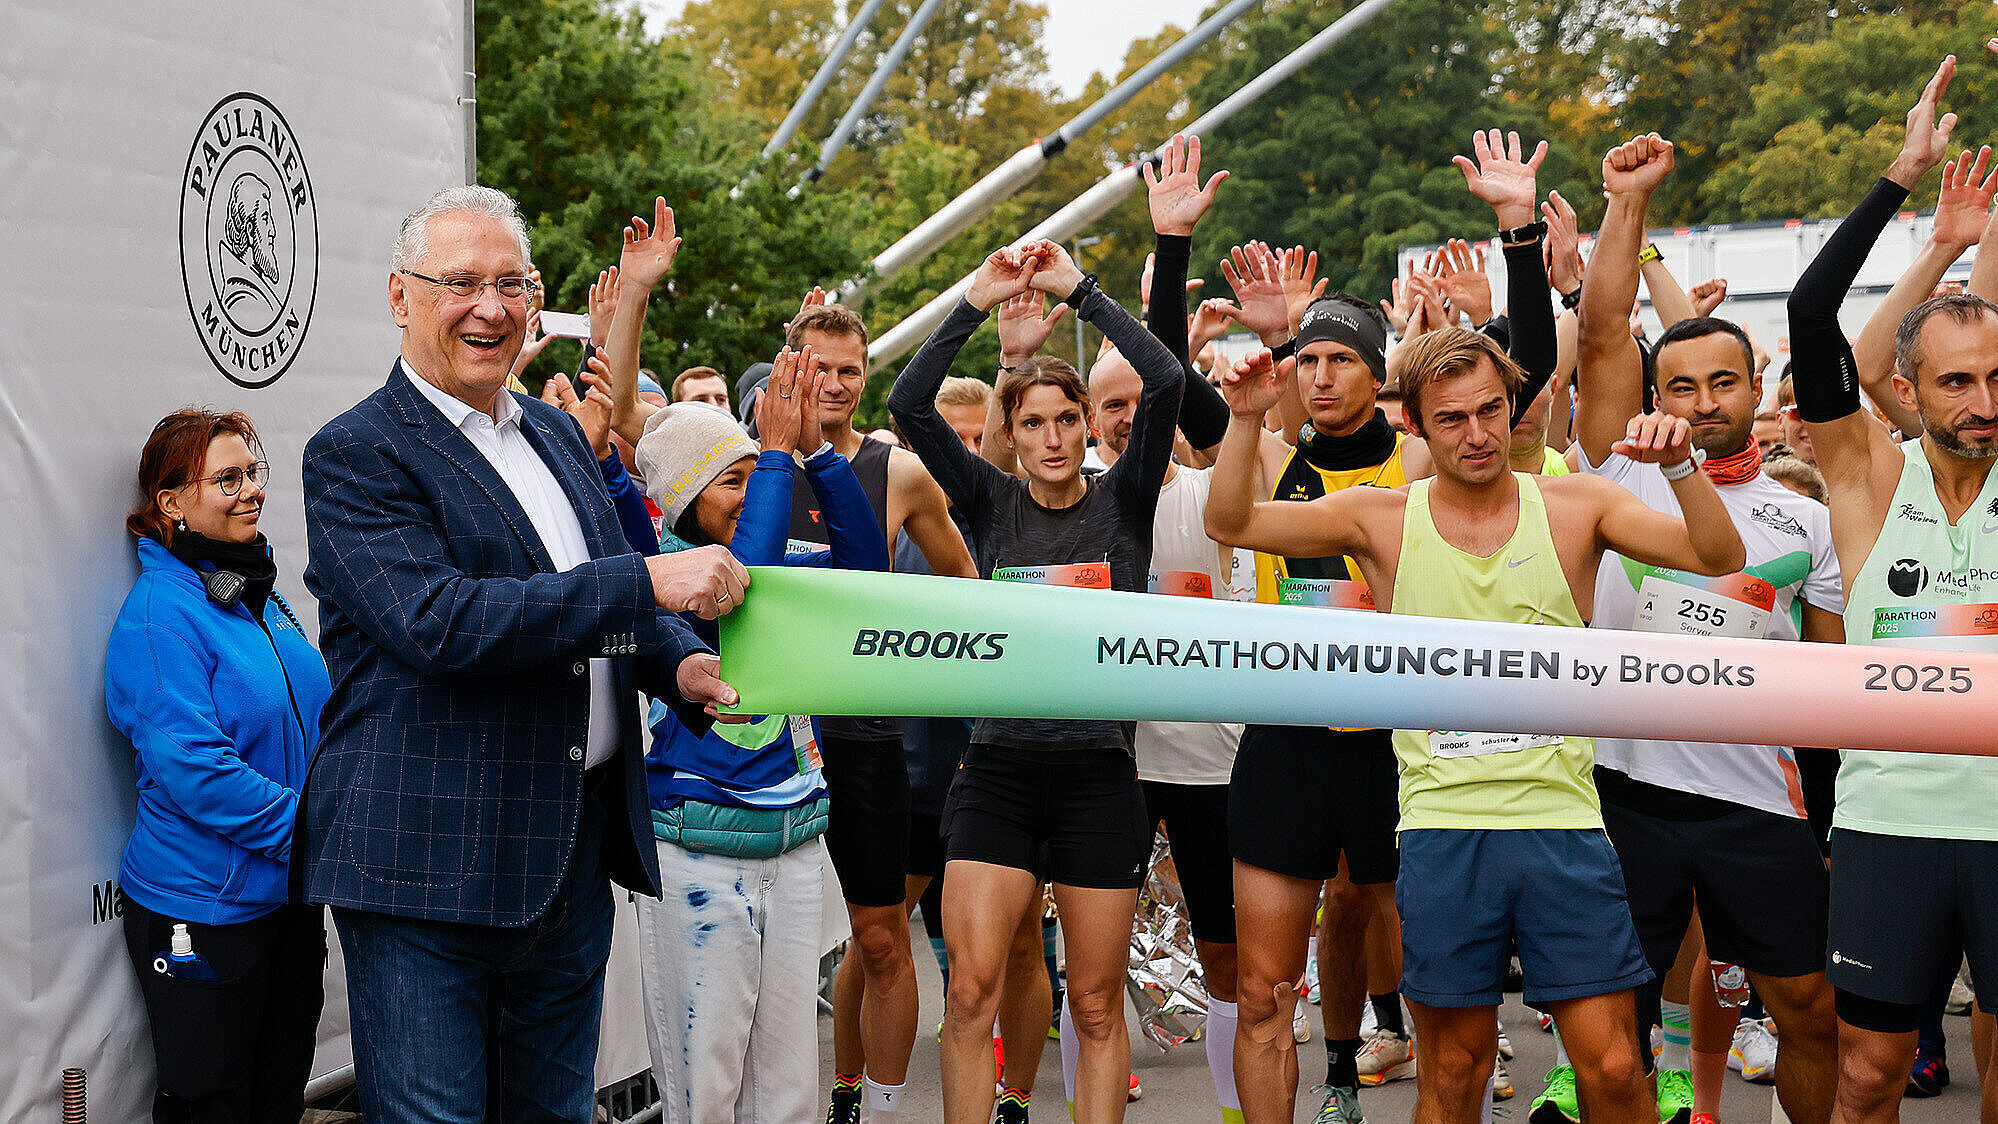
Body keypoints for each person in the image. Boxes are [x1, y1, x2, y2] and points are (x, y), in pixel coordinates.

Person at [1207, 324, 1745, 1124]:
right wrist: (1246, 416)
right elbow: (1233, 525)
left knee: (1615, 1062)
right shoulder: (1379, 517)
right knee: (1454, 1069)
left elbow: (1715, 553)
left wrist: (1681, 466)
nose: (1479, 434)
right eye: (1452, 419)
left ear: (1512, 406)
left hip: (1562, 823)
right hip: (1443, 828)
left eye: (1491, 410)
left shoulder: (1576, 504)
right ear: (1417, 426)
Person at [299, 186, 744, 1123]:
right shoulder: (356, 453)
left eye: (512, 282)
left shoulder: (549, 431)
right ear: (398, 296)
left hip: (569, 859)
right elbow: (443, 623)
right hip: (426, 875)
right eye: (459, 282)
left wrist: (677, 667)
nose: (490, 307)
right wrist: (648, 591)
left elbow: (606, 570)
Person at [1568, 131, 1843, 1124]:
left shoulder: (1809, 521)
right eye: (1679, 387)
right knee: (1613, 1037)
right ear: (1655, 398)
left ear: (1757, 384)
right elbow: (1603, 334)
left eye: (1721, 383)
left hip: (1754, 800)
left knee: (1811, 1012)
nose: (1700, 402)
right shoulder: (1620, 468)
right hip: (1622, 791)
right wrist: (1623, 204)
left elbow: (1833, 676)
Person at [888, 236, 1184, 1124]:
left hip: (1099, 774)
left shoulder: (1124, 501)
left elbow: (1166, 382)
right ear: (1009, 435)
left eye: (1067, 420)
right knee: (972, 994)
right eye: (1033, 423)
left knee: (1094, 1006)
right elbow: (908, 403)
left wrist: (1083, 293)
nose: (1053, 438)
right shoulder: (986, 502)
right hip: (1001, 770)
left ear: (1086, 425)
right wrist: (976, 297)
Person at [1786, 54, 1998, 1124]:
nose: (1982, 400)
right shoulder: (1869, 473)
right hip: (1887, 822)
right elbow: (1816, 312)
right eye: (1957, 381)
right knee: (1867, 1072)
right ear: (1909, 393)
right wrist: (1903, 183)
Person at [628, 345, 891, 1124]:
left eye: (755, 476)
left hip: (796, 849)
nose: (753, 493)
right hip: (697, 859)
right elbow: (734, 587)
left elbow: (864, 572)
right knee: (704, 1095)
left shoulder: (783, 560)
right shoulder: (664, 571)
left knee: (785, 1097)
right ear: (683, 497)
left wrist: (813, 450)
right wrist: (775, 453)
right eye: (730, 480)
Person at [107, 408, 330, 1124]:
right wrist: (320, 832)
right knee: (212, 1106)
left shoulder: (256, 594)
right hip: (204, 908)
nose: (251, 491)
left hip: (288, 896)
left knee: (277, 1098)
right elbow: (197, 769)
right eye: (227, 479)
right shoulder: (158, 616)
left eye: (253, 474)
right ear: (171, 502)